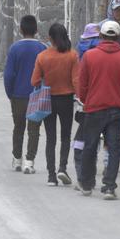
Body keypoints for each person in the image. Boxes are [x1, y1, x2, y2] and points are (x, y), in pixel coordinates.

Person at [76, 20, 120, 199]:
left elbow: (82, 85)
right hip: (117, 109)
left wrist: (86, 99)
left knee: (90, 146)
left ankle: (87, 183)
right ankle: (109, 186)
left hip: (94, 108)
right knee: (113, 148)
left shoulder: (89, 56)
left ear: (101, 36)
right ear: (118, 37)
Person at [31, 23, 79, 186]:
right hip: (66, 99)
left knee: (50, 138)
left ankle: (51, 176)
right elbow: (76, 80)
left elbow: (34, 80)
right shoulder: (72, 55)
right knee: (66, 136)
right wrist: (81, 97)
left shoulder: (42, 56)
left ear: (50, 38)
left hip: (47, 99)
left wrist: (46, 79)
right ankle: (62, 168)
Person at [3, 15, 46, 174]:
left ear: (20, 29)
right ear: (36, 30)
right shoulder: (42, 48)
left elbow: (8, 75)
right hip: (36, 95)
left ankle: (17, 160)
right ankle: (29, 161)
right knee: (34, 129)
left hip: (18, 95)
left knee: (18, 127)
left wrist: (10, 93)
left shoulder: (14, 48)